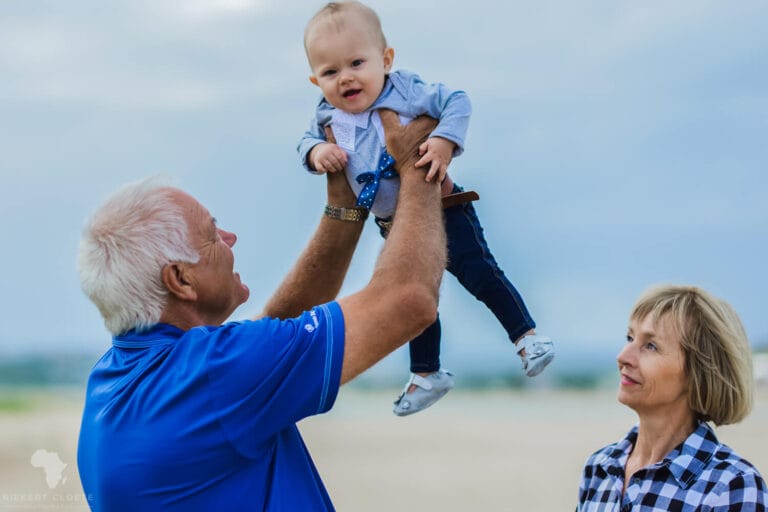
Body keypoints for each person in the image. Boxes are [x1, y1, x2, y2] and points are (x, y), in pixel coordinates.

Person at [76, 112, 446, 511]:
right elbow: (409, 300)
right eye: (212, 233)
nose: (229, 237)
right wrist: (416, 167)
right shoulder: (214, 374)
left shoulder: (116, 381)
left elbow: (272, 334)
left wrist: (345, 208)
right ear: (180, 280)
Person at [298, 0, 555, 417]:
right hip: (393, 225)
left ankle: (526, 336)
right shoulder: (328, 116)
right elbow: (304, 143)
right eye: (330, 72)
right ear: (316, 80)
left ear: (385, 59)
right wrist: (317, 152)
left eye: (357, 63)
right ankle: (426, 373)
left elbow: (457, 100)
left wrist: (444, 141)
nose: (345, 78)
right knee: (412, 297)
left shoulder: (406, 91)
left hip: (444, 208)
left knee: (479, 272)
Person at [577, 285, 768, 511]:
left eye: (651, 345)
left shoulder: (732, 486)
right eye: (630, 338)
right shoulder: (599, 468)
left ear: (699, 372)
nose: (623, 357)